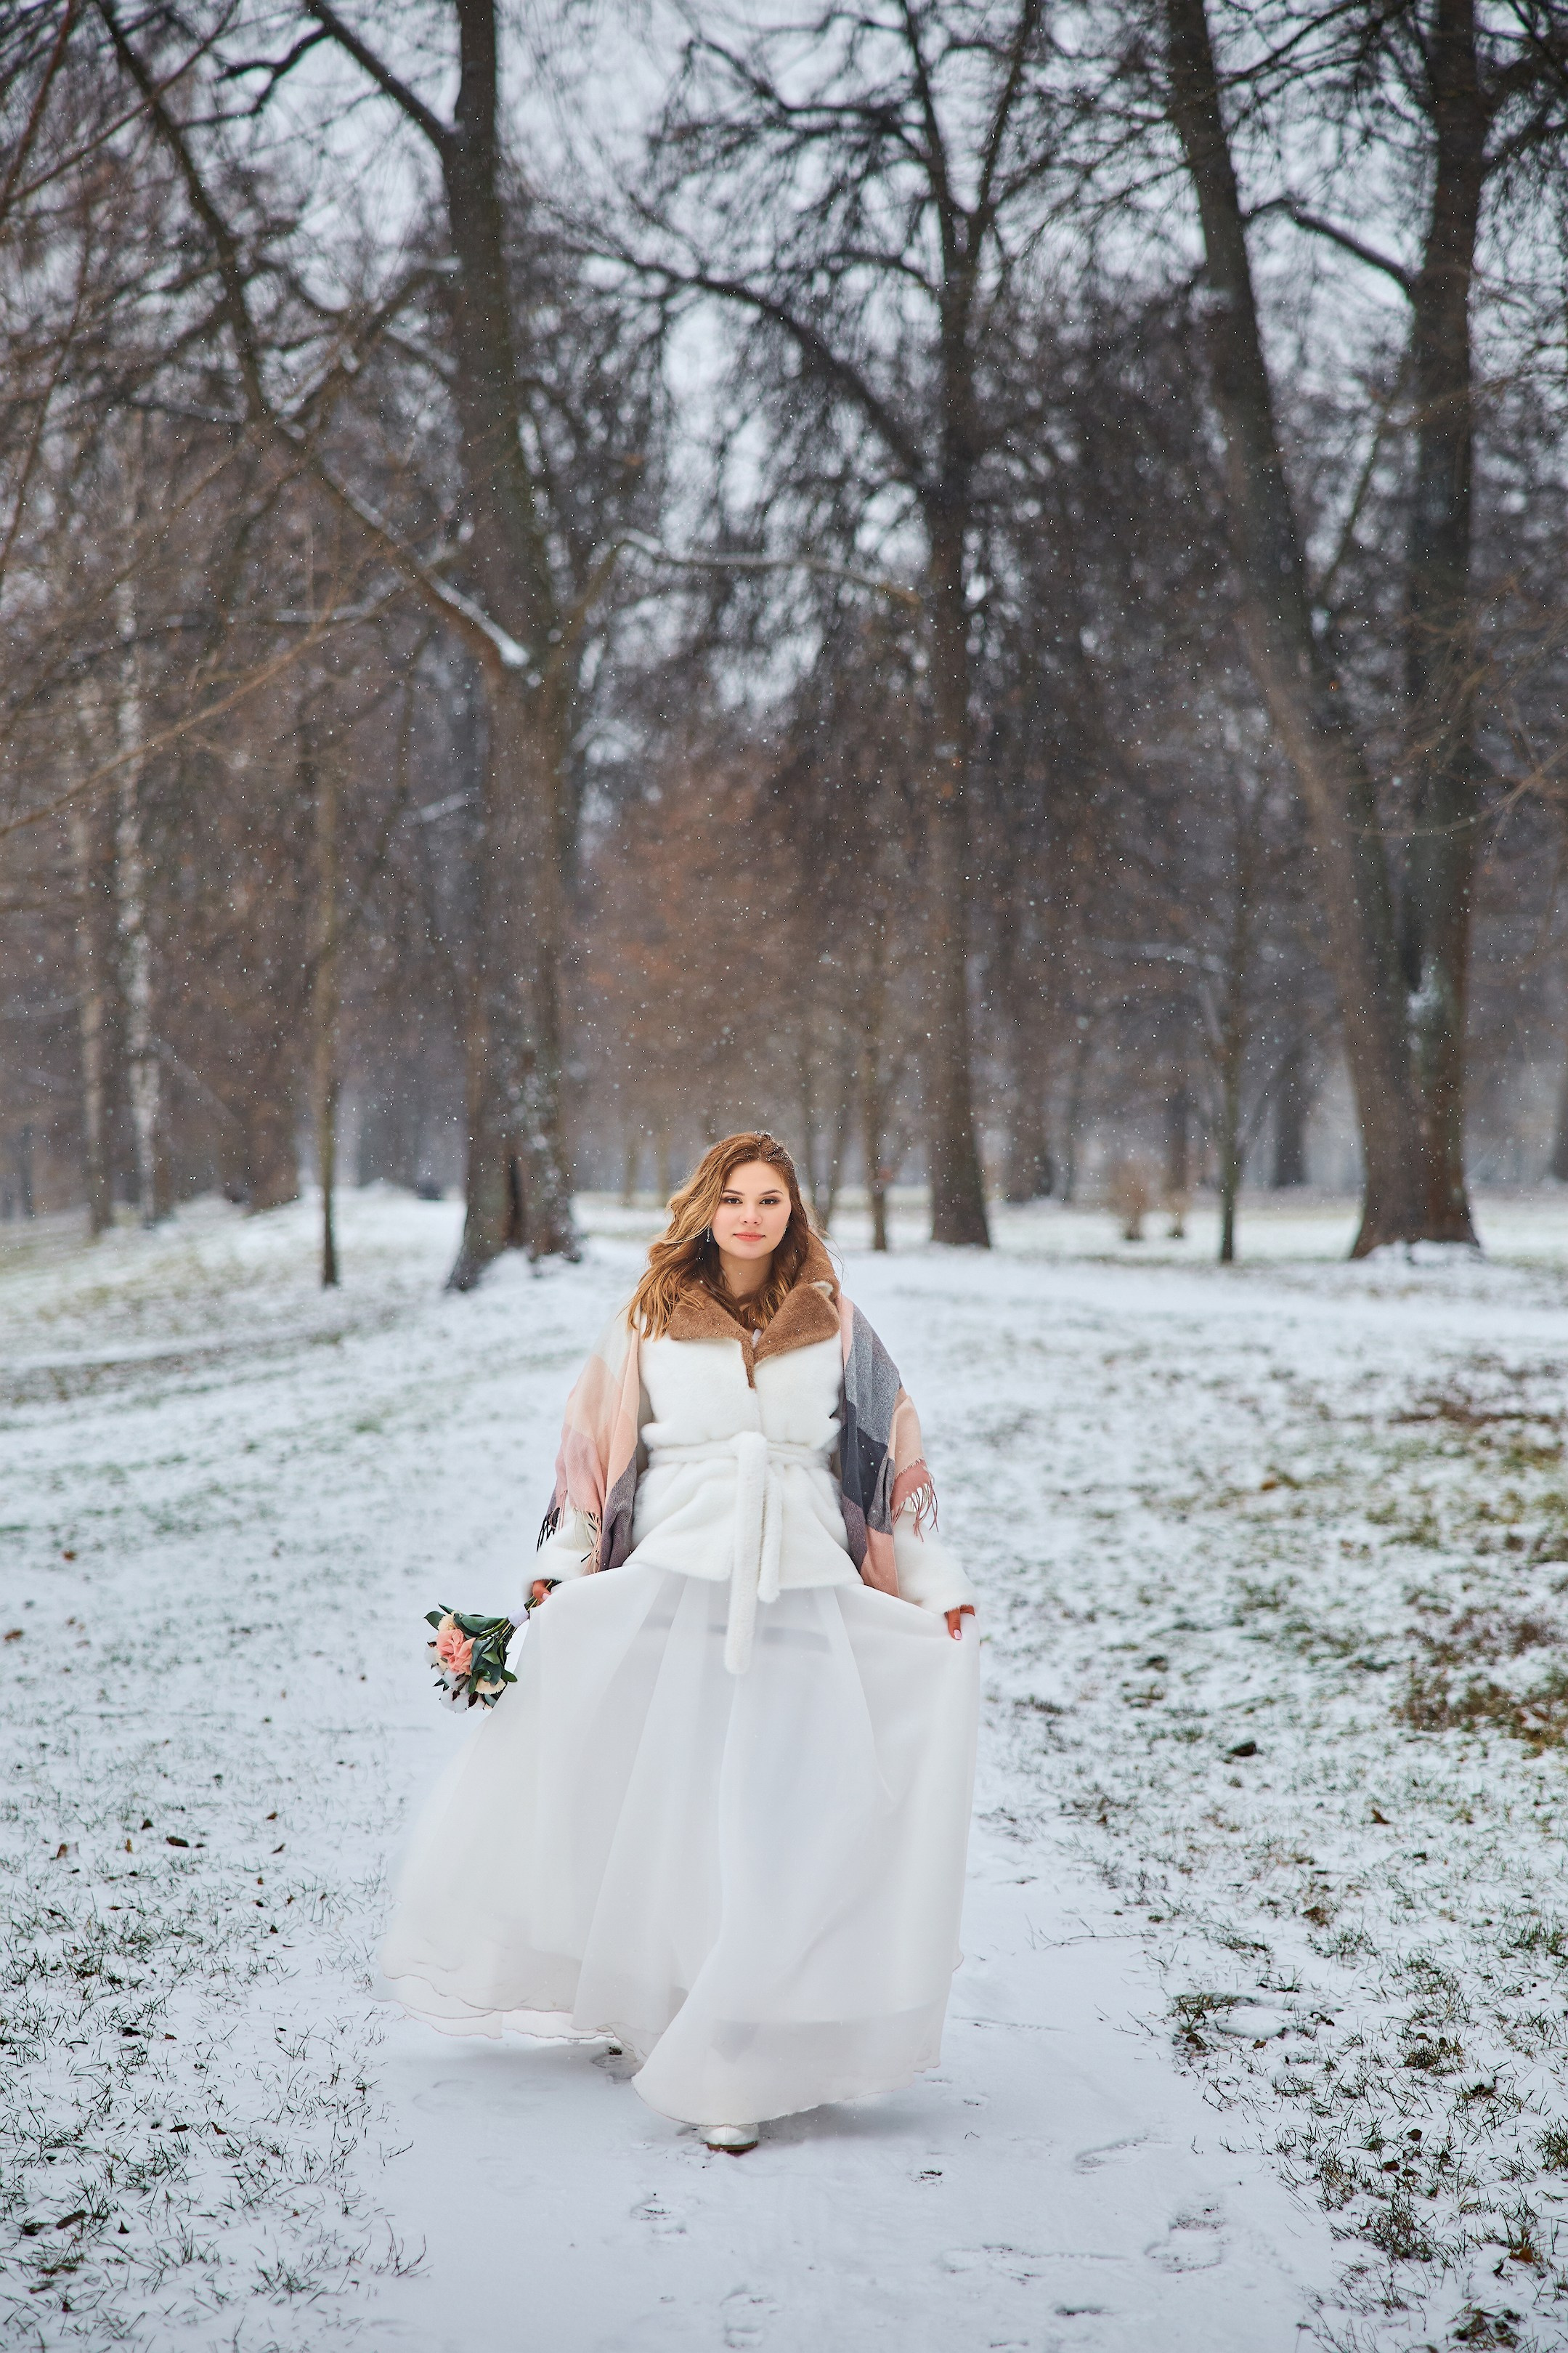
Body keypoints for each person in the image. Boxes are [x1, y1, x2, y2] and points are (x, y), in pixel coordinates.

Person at [381, 1131, 979, 2153]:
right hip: (676, 1576)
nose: (752, 1215)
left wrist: (934, 1585)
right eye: (735, 1197)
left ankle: (742, 2027)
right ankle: (677, 2012)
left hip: (801, 1586)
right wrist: (562, 1572)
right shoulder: (649, 1315)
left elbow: (890, 1455)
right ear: (706, 1204)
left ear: (794, 1212)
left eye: (772, 1200)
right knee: (680, 1802)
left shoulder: (834, 1317)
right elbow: (591, 1451)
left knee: (777, 1807)